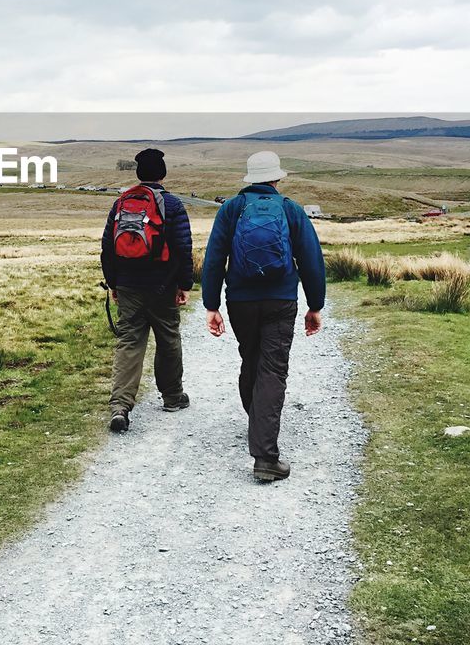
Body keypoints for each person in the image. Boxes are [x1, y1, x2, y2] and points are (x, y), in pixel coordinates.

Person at [201, 150, 325, 480]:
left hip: (240, 300)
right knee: (273, 369)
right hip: (281, 300)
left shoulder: (231, 209)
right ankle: (265, 456)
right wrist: (315, 305)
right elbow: (312, 260)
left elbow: (214, 258)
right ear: (277, 178)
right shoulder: (290, 210)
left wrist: (211, 305)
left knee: (251, 358)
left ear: (249, 178)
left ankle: (258, 422)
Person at [100, 148, 194, 432]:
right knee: (168, 339)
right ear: (162, 174)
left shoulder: (121, 203)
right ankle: (173, 396)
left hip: (128, 284)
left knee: (129, 342)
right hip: (162, 285)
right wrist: (184, 284)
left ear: (139, 174)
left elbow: (107, 247)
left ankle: (120, 406)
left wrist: (114, 283)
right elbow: (183, 248)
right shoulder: (173, 204)